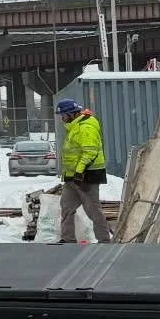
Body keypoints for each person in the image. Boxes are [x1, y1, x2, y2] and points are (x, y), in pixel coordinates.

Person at [56, 98, 112, 244]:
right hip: (72, 178)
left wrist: (80, 171)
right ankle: (68, 239)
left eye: (64, 115)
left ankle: (104, 240)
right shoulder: (74, 127)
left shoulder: (86, 127)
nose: (62, 118)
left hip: (87, 176)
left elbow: (90, 152)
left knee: (93, 210)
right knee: (66, 207)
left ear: (72, 114)